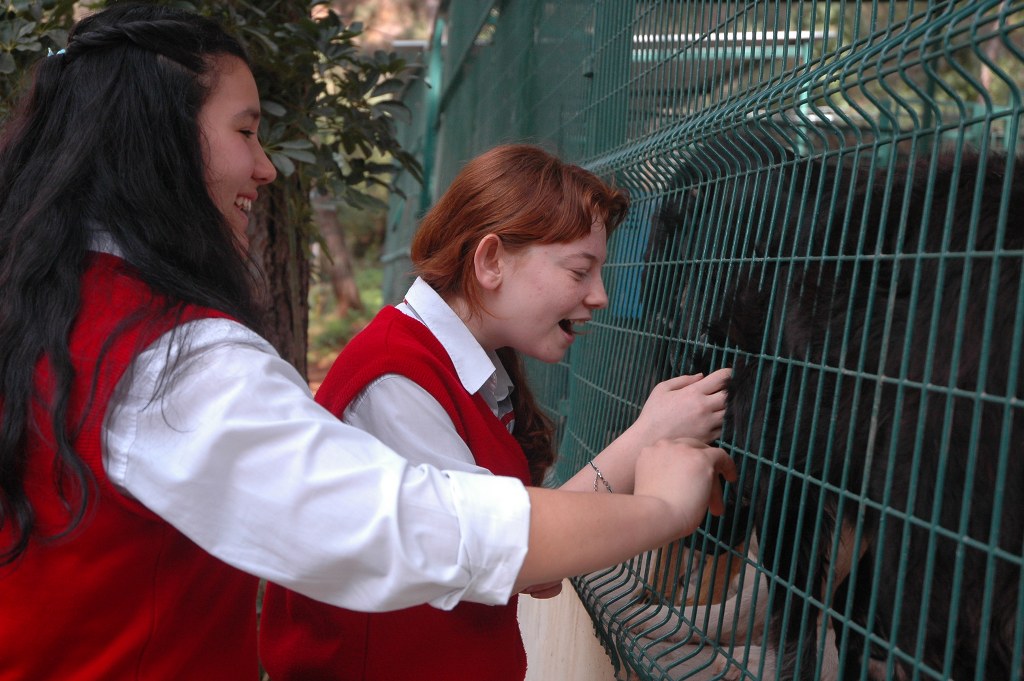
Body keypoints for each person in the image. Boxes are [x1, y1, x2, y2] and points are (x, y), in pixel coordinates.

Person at [0, 6, 735, 680]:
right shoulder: (176, 357)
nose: (266, 165)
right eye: (246, 130)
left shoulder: (59, 310)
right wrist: (659, 506)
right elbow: (422, 528)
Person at [259, 144, 733, 681]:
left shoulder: (466, 367)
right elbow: (502, 550)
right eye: (581, 270)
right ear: (490, 261)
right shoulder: (395, 380)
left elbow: (506, 542)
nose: (599, 295)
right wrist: (662, 496)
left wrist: (651, 433)